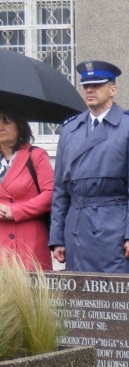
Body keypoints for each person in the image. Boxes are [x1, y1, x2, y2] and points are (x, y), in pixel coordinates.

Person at [49, 60, 129, 273]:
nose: (90, 90)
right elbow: (60, 189)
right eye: (86, 86)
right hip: (77, 229)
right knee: (79, 291)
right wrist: (57, 237)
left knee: (117, 292)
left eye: (97, 85)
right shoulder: (70, 129)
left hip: (115, 229)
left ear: (112, 89)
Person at [0, 105, 54, 270]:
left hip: (30, 241)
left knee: (32, 284)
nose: (1, 127)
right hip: (2, 242)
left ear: (20, 125)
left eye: (7, 122)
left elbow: (50, 194)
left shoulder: (36, 155)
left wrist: (16, 211)